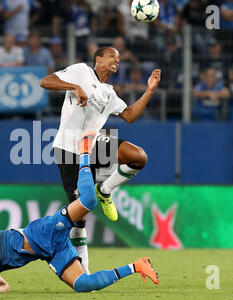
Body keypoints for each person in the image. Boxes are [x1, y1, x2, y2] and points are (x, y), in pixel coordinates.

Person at [0, 131, 159, 293]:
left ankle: (84, 154)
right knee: (84, 285)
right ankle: (137, 266)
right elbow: (3, 285)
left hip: (41, 233)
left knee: (88, 201)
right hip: (49, 252)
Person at [40, 47, 161, 274]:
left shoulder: (109, 93)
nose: (117, 61)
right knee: (80, 213)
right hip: (68, 148)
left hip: (93, 145)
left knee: (138, 157)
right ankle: (83, 273)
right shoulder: (80, 71)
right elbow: (45, 82)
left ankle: (105, 190)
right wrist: (74, 86)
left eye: (118, 58)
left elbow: (130, 116)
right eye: (112, 57)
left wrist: (149, 91)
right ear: (98, 59)